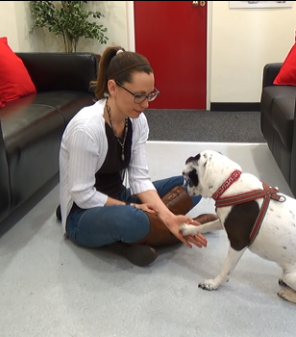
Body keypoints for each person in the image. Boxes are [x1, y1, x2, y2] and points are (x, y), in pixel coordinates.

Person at [58, 46, 218, 267]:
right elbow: (83, 195)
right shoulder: (85, 129)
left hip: (123, 197)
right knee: (131, 219)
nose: (146, 104)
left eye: (150, 94)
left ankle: (139, 237)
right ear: (112, 88)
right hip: (84, 214)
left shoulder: (137, 120)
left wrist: (163, 214)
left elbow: (139, 179)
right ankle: (182, 229)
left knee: (195, 182)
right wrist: (134, 209)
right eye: (138, 96)